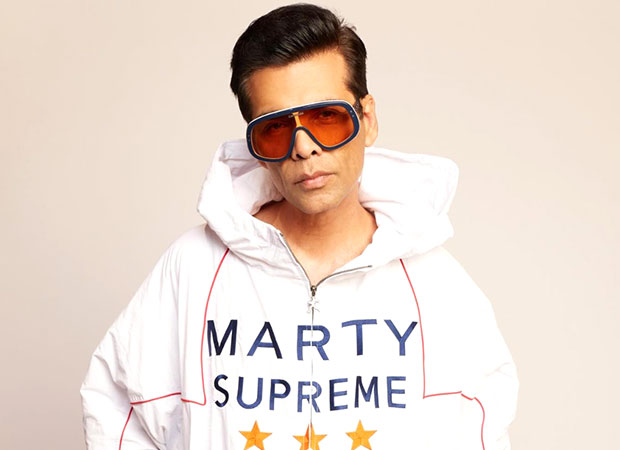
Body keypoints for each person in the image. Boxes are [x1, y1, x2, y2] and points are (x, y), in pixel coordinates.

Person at [81, 4, 518, 450]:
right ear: (255, 144)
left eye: (326, 117)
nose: (304, 147)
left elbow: (480, 432)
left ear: (366, 120)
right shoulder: (195, 267)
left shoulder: (436, 285)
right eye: (275, 129)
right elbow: (119, 415)